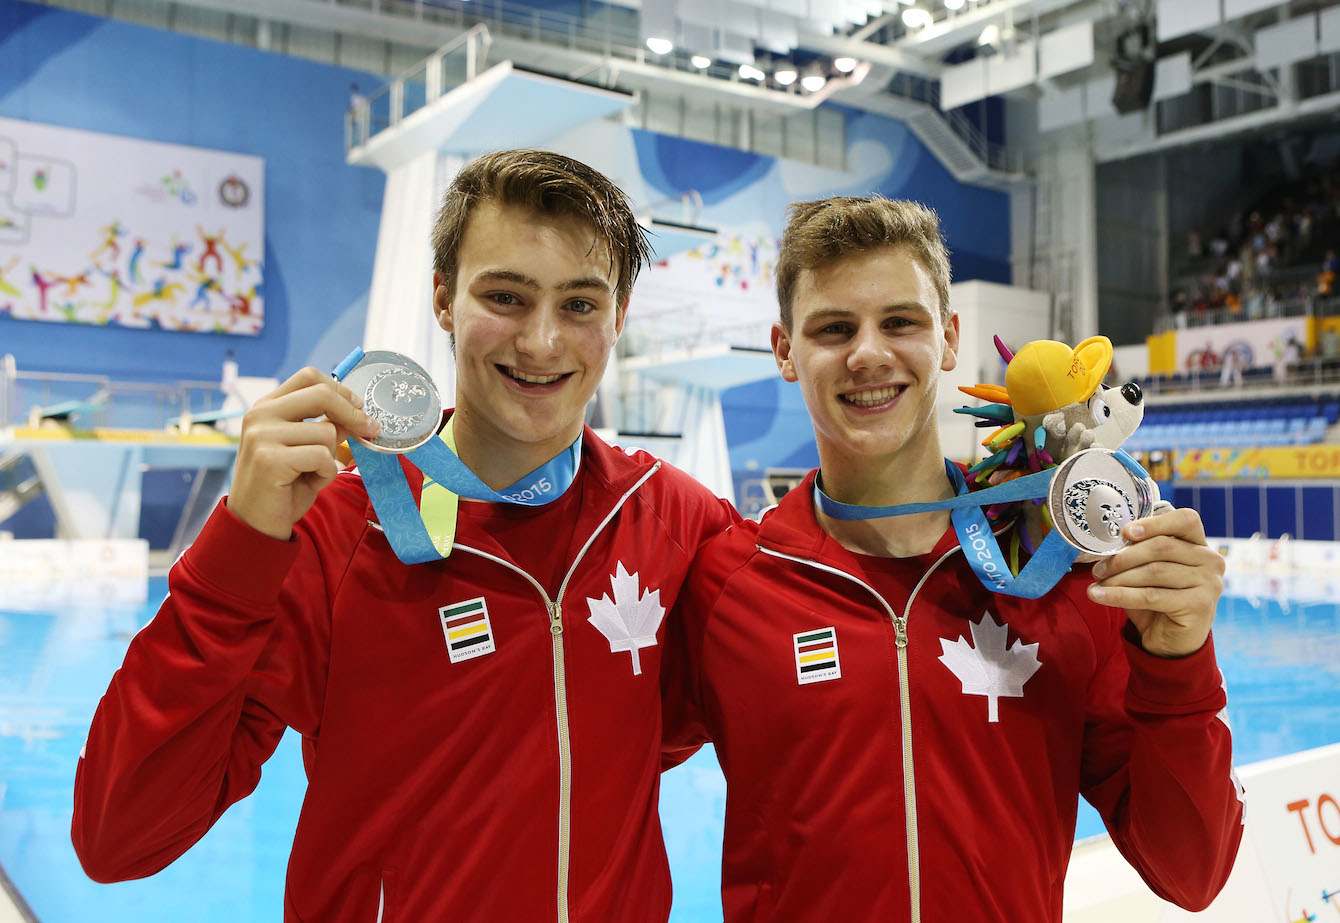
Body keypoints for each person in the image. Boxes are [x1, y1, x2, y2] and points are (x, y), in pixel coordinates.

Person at [72, 149, 738, 921]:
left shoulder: (672, 520)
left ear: (619, 316)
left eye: (581, 304)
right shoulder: (337, 534)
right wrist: (241, 546)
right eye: (507, 296)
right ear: (444, 298)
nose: (542, 342)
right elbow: (118, 837)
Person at [663, 196, 1243, 922]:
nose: (868, 353)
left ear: (947, 337)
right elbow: (586, 773)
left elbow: (1193, 870)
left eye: (900, 321)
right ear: (785, 350)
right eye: (834, 328)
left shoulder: (1052, 572)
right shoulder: (727, 583)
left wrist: (1180, 660)